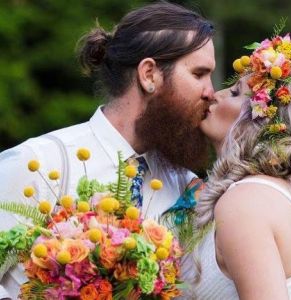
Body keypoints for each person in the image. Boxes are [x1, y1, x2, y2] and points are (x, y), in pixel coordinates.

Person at [0, 2, 215, 299]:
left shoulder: (187, 188)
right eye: (199, 74)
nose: (211, 92)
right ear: (149, 74)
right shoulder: (37, 162)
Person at [179, 32, 291, 299]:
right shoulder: (286, 190)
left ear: (260, 120)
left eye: (234, 93)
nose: (214, 94)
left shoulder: (244, 202)